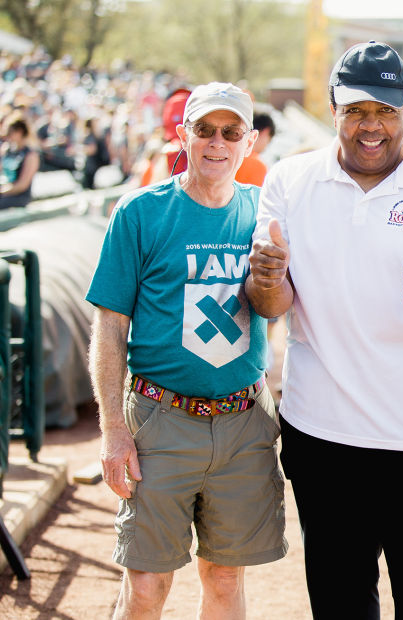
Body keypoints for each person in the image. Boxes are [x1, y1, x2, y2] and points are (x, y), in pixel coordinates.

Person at [246, 40, 403, 619]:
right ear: (333, 110)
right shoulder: (290, 179)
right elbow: (270, 305)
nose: (370, 126)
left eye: (385, 110)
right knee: (339, 603)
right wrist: (268, 278)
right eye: (356, 111)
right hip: (321, 433)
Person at [87, 81, 286, 619]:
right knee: (148, 585)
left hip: (242, 420)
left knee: (224, 579)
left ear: (250, 142)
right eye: (205, 130)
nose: (217, 143)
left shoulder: (264, 214)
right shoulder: (141, 213)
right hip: (161, 419)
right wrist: (113, 431)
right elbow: (109, 329)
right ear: (184, 135)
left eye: (231, 132)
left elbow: (282, 308)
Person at [0, 113, 41, 208]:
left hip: (18, 196)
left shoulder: (30, 154)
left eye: (10, 133)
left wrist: (2, 190)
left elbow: (22, 185)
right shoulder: (7, 150)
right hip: (4, 190)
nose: (7, 136)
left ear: (20, 132)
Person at [235, 111, 275, 186]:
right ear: (266, 132)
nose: (266, 147)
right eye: (269, 141)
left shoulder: (232, 155)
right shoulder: (259, 166)